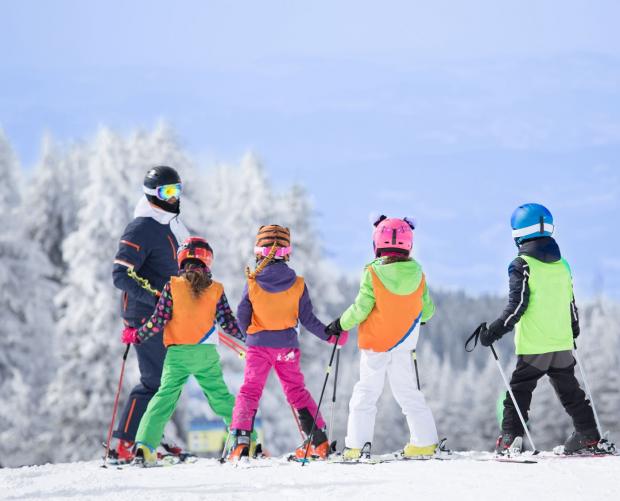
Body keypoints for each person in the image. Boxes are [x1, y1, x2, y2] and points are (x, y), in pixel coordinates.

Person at [478, 203, 599, 454]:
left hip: (535, 345)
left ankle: (510, 439)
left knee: (519, 391)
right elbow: (570, 301)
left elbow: (518, 304)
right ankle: (589, 436)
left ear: (519, 234)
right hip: (562, 341)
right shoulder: (562, 265)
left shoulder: (522, 264)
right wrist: (573, 328)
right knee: (571, 392)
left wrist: (494, 331)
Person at [121, 237, 245, 466]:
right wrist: (250, 337)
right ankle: (245, 441)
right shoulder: (215, 289)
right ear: (208, 261)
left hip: (177, 355)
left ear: (181, 260)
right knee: (220, 397)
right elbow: (228, 323)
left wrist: (137, 335)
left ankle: (144, 447)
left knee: (163, 399)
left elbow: (158, 321)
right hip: (205, 355)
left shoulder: (172, 287)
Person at [227, 225, 345, 461]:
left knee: (250, 392)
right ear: (287, 252)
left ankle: (241, 443)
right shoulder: (298, 284)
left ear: (259, 251)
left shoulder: (252, 283)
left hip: (258, 347)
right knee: (296, 392)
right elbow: (308, 320)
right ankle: (318, 442)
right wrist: (331, 335)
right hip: (287, 349)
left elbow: (241, 316)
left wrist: (249, 336)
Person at [329, 215, 438, 460]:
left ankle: (357, 446)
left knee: (366, 392)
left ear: (377, 244)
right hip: (404, 343)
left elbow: (361, 307)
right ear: (408, 244)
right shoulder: (418, 274)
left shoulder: (373, 273)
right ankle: (424, 442)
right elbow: (427, 310)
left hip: (376, 345)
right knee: (409, 392)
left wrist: (340, 324)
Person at [110, 166, 189, 463]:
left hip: (166, 313)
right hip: (145, 313)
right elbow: (121, 274)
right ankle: (127, 443)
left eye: (177, 190)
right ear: (151, 195)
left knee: (168, 380)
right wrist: (155, 298)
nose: (173, 198)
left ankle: (151, 436)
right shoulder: (142, 227)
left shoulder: (170, 226)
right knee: (154, 381)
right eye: (166, 192)